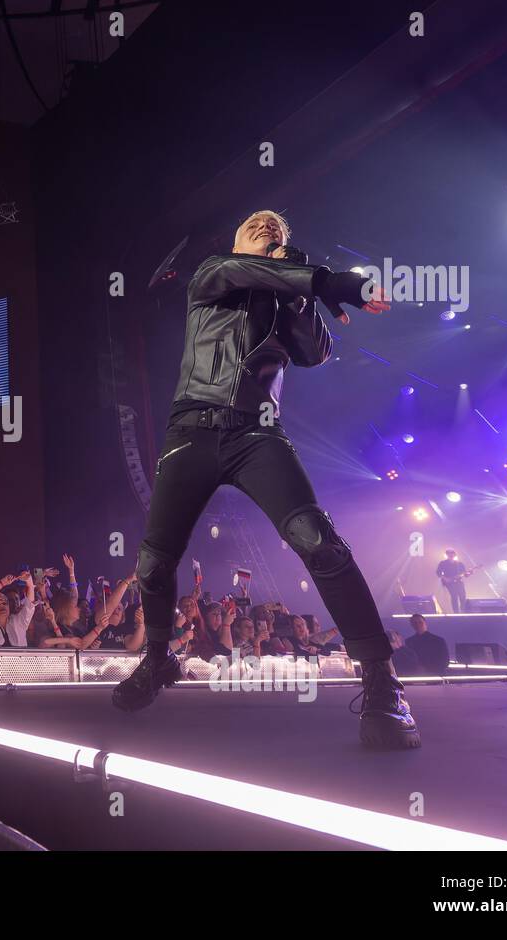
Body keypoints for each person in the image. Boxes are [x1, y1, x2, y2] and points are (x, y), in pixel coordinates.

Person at [117, 209, 420, 750]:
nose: (268, 230)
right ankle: (159, 659)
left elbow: (315, 353)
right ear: (236, 240)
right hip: (192, 427)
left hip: (258, 434)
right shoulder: (214, 273)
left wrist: (302, 292)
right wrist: (328, 281)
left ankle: (381, 680)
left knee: (318, 541)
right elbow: (244, 272)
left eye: (278, 233)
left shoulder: (286, 297)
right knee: (152, 561)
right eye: (257, 227)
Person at [436, 549, 470, 613]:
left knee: (463, 596)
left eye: (452, 553)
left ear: (455, 554)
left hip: (459, 582)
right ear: (446, 555)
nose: (451, 555)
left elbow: (465, 574)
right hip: (450, 583)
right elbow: (438, 572)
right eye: (449, 553)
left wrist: (469, 573)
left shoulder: (459, 564)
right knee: (454, 596)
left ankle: (463, 612)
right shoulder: (443, 563)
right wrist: (445, 578)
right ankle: (456, 613)